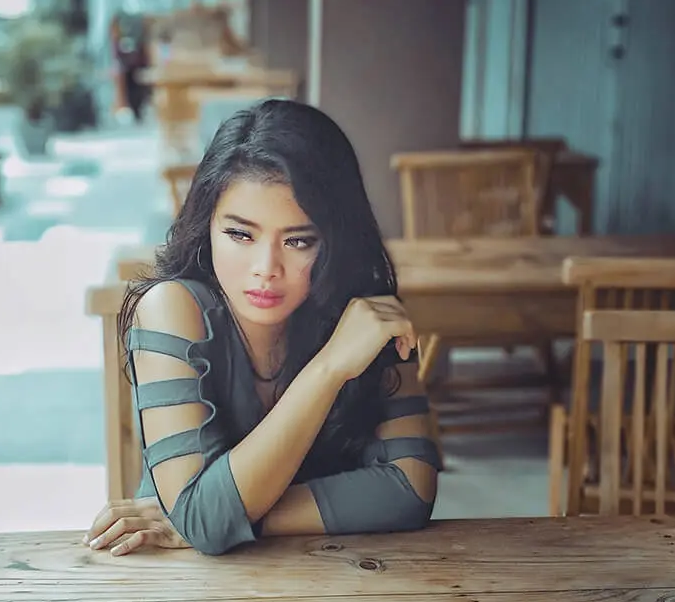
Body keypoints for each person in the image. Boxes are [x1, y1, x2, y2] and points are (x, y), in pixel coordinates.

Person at [84, 99, 439, 556]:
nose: (265, 268)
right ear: (207, 224)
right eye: (240, 235)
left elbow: (409, 492)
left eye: (298, 241)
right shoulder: (171, 309)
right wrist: (329, 368)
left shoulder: (362, 317)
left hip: (335, 589)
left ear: (335, 238)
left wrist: (220, 516)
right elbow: (201, 519)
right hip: (183, 595)